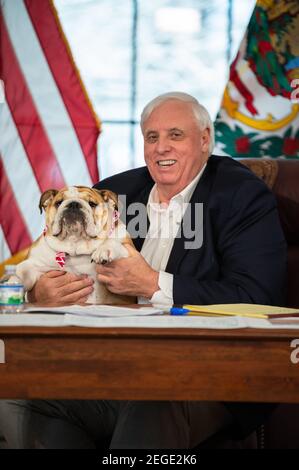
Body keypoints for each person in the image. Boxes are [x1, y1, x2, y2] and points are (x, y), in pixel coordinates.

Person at [0, 92, 287, 449]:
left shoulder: (240, 196)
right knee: (14, 399)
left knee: (151, 393)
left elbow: (256, 296)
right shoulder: (113, 193)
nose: (161, 147)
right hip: (108, 370)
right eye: (152, 137)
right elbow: (52, 256)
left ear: (204, 140)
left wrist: (154, 284)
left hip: (203, 375)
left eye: (175, 135)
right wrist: (38, 293)